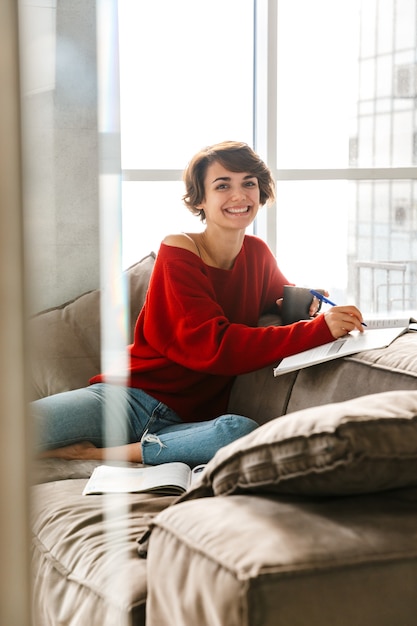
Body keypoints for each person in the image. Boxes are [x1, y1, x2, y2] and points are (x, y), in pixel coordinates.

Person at [33, 141, 365, 467]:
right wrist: (318, 330)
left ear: (261, 192)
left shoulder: (258, 254)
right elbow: (213, 345)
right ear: (201, 199)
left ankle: (94, 455)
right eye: (223, 186)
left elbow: (280, 297)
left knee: (239, 433)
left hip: (188, 422)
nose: (239, 195)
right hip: (127, 399)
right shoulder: (178, 249)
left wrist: (302, 302)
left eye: (249, 183)